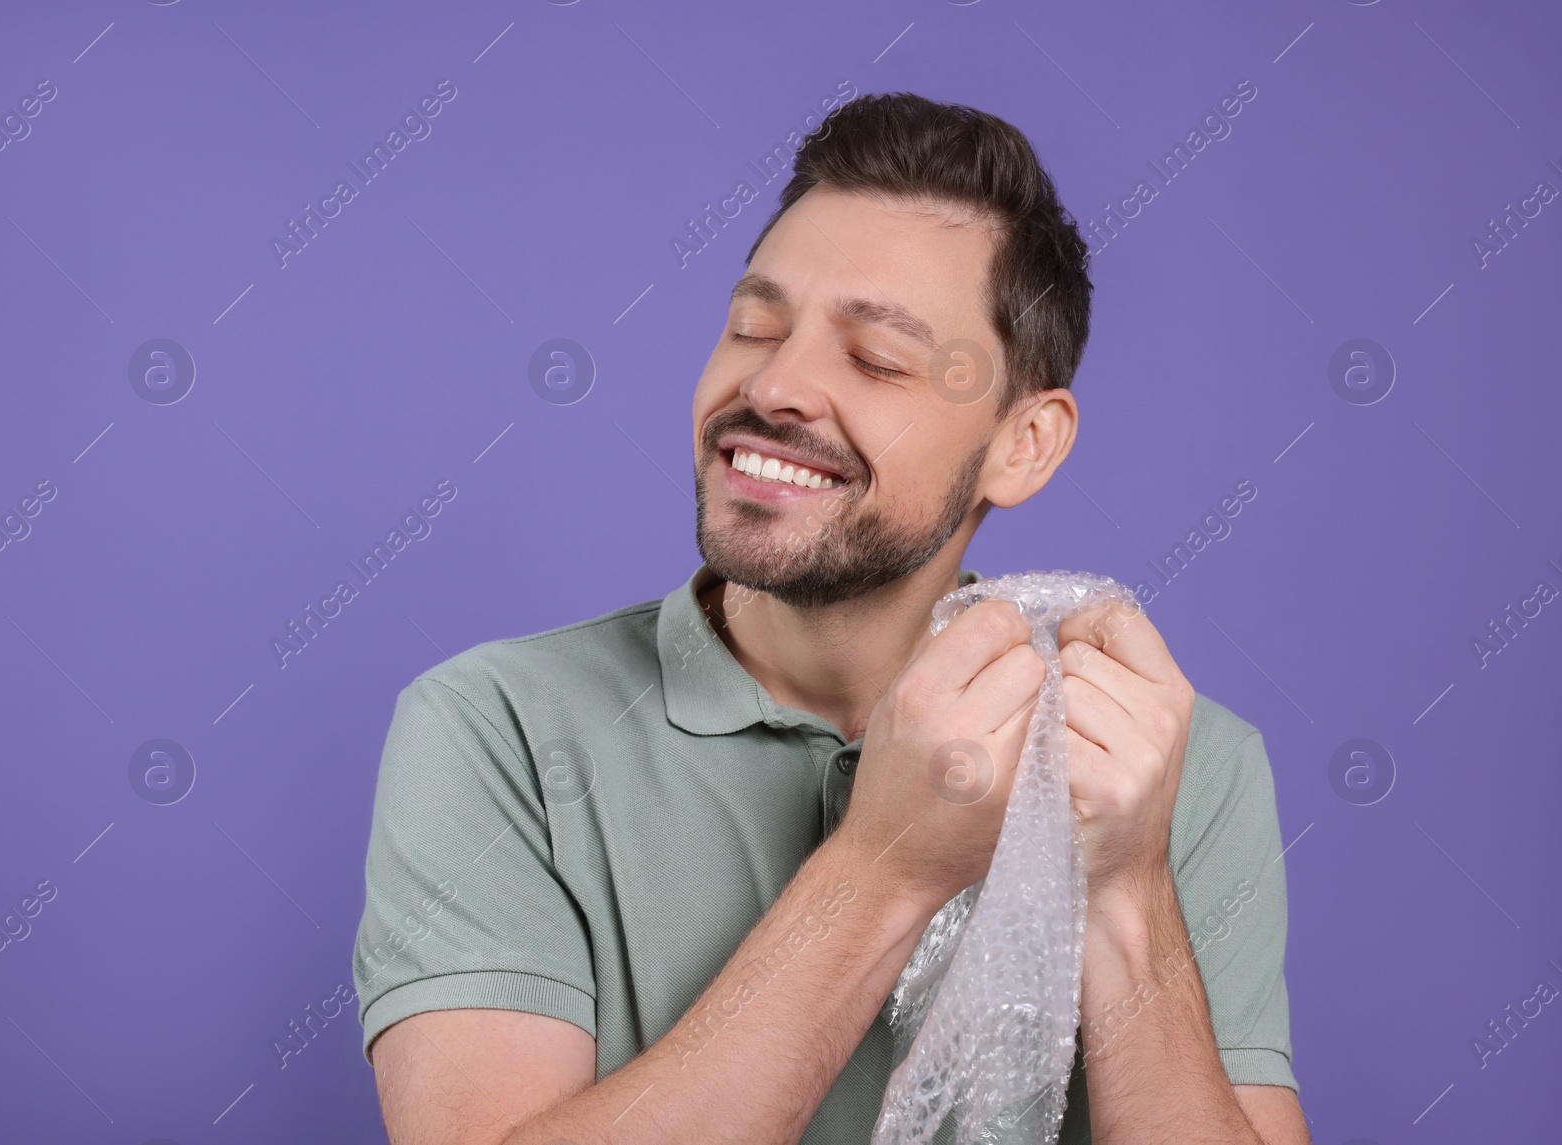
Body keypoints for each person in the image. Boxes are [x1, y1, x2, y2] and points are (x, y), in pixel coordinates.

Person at [353, 91, 1308, 1144]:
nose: (774, 382)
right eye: (753, 325)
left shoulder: (1166, 761)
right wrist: (887, 863)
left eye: (876, 359)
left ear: (1021, 443)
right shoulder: (501, 728)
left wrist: (1128, 889)